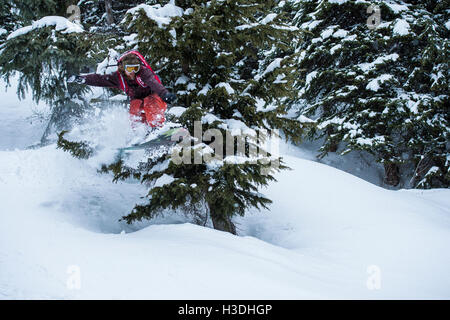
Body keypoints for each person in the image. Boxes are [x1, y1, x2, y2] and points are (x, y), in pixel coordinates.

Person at [68, 50, 176, 128]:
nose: (133, 71)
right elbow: (99, 79)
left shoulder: (144, 73)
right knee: (135, 108)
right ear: (123, 68)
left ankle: (157, 127)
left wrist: (164, 94)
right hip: (137, 99)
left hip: (153, 96)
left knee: (149, 102)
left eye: (135, 68)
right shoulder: (118, 78)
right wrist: (81, 79)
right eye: (129, 68)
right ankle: (141, 132)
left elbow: (153, 83)